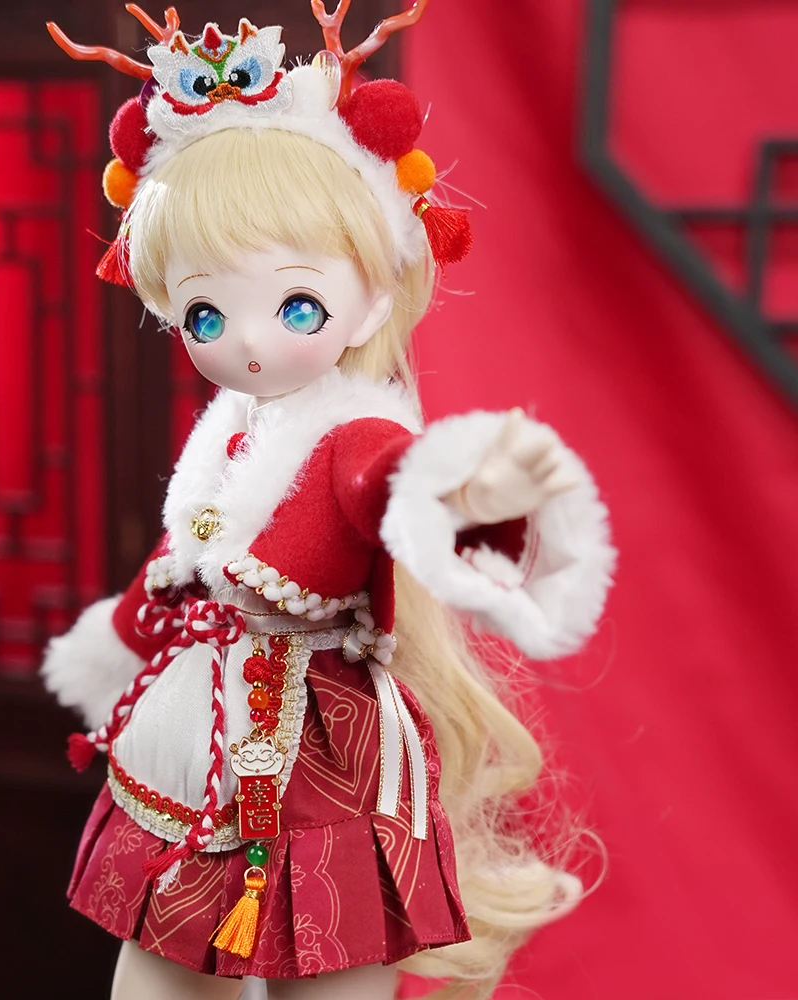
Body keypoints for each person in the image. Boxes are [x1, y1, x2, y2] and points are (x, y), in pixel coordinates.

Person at [41, 4, 615, 998]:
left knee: (331, 961)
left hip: (322, 753)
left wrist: (467, 493)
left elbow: (392, 485)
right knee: (156, 968)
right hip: (196, 733)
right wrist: (121, 638)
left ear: (373, 299)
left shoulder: (356, 436)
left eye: (296, 303)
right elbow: (180, 568)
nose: (246, 341)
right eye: (205, 314)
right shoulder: (230, 435)